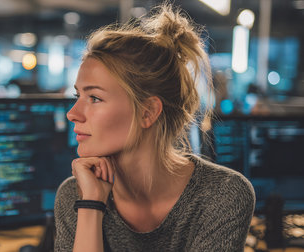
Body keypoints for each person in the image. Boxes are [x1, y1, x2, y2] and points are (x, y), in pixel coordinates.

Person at [54, 4, 255, 252]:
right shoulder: (76, 193)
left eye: (94, 98)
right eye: (77, 96)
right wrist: (91, 207)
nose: (72, 114)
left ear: (148, 112)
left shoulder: (221, 195)